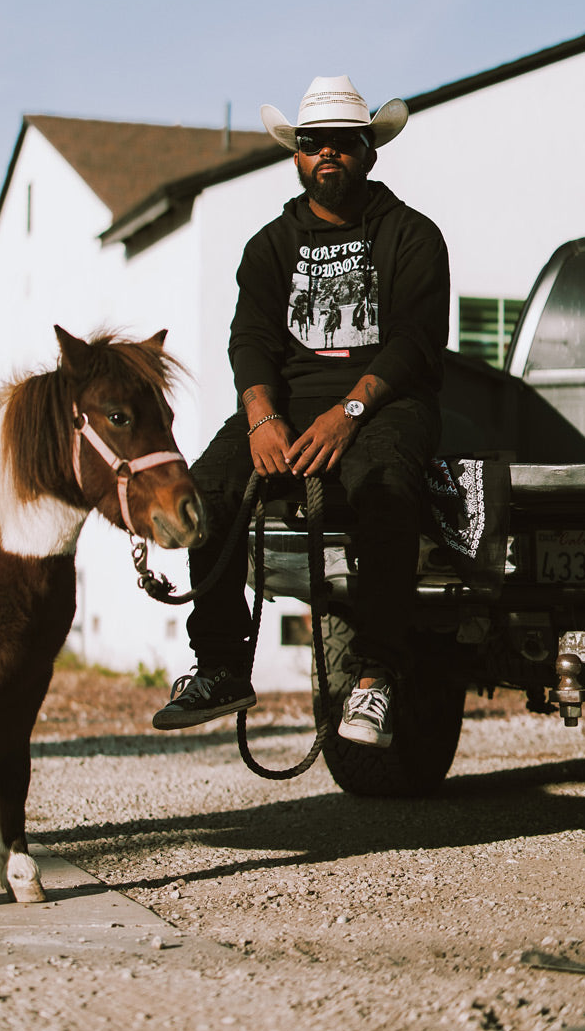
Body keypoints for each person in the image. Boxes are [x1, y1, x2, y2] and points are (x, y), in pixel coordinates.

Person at [152, 74, 450, 746]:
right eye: (313, 142)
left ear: (369, 151)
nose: (327, 153)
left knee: (386, 487)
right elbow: (250, 341)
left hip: (384, 405)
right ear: (297, 155)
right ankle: (222, 666)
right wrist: (262, 417)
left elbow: (415, 342)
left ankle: (374, 677)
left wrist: (348, 413)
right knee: (207, 490)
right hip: (285, 407)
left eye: (343, 142)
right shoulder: (270, 245)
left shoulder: (412, 235)